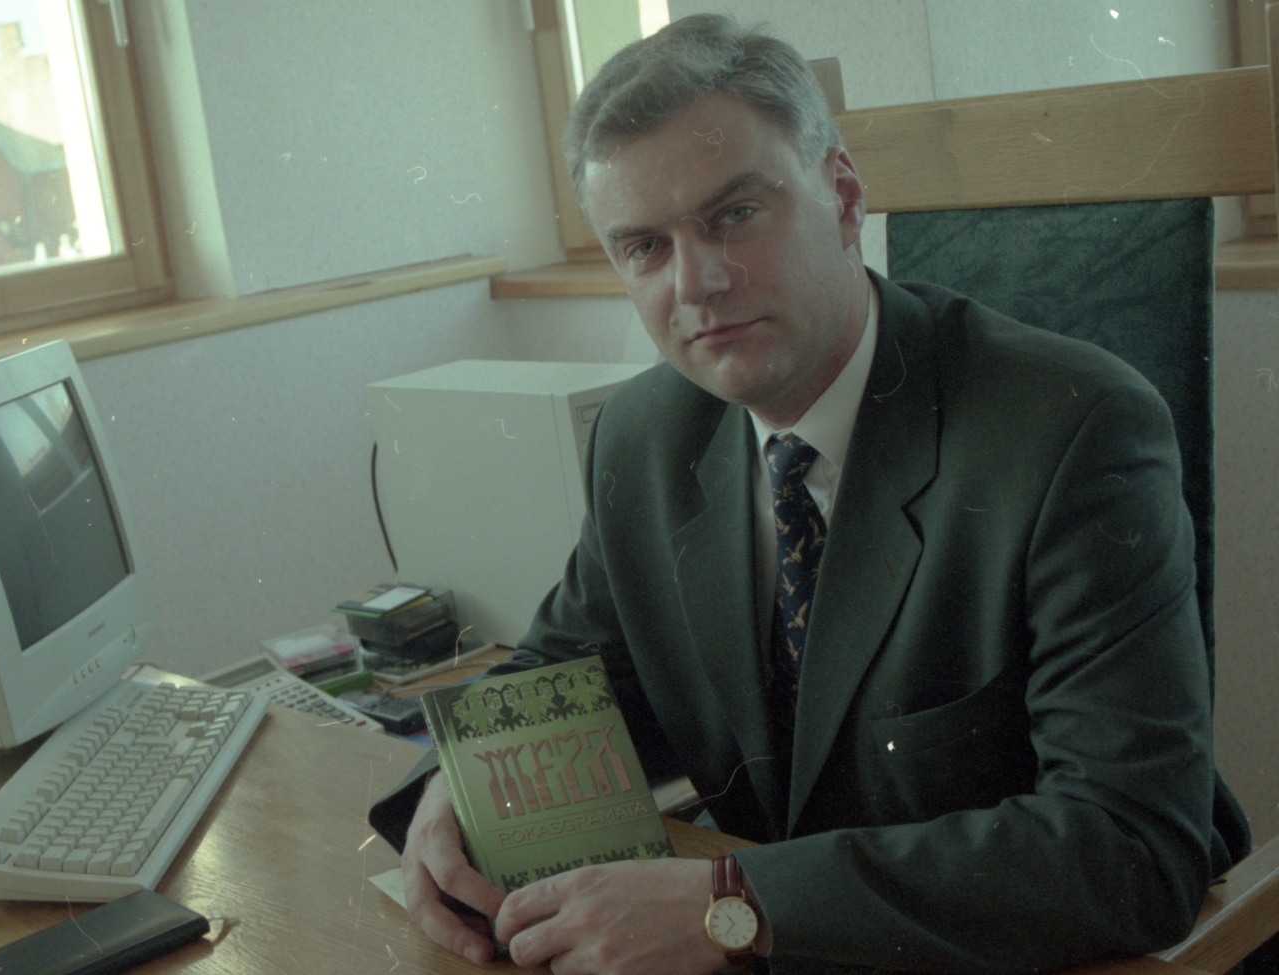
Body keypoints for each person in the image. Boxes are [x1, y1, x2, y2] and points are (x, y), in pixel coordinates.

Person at [368, 13, 1249, 975]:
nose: (698, 284)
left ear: (843, 196)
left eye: (736, 214)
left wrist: (734, 904)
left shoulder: (1073, 429)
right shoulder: (645, 434)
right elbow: (567, 675)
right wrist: (455, 783)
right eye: (645, 248)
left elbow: (1131, 844)